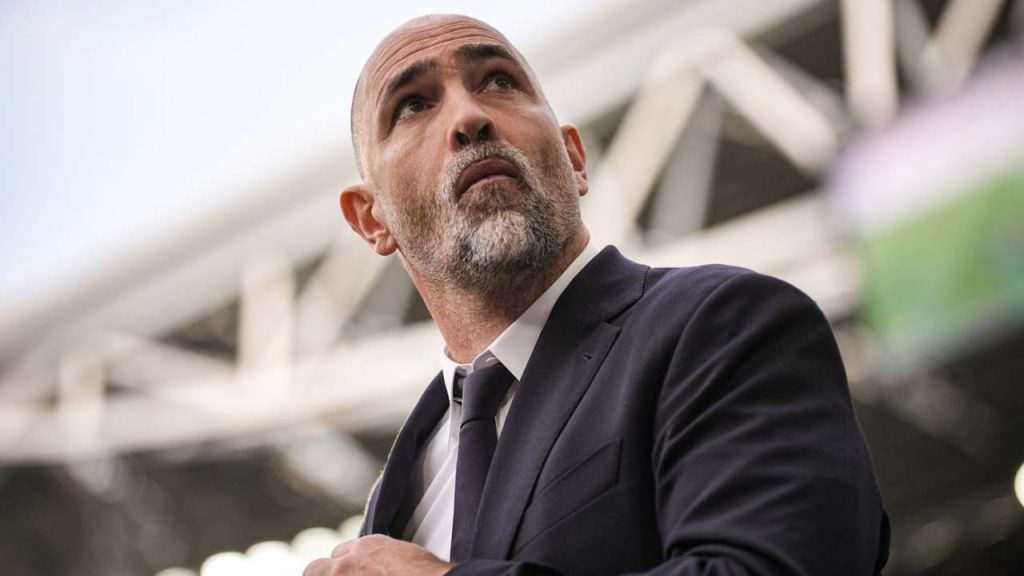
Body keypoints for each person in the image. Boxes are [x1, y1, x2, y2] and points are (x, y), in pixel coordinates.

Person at [304, 14, 889, 576]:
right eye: (412, 105)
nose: (469, 116)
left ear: (574, 158)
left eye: (499, 81)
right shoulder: (399, 493)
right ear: (371, 220)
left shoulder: (726, 324)